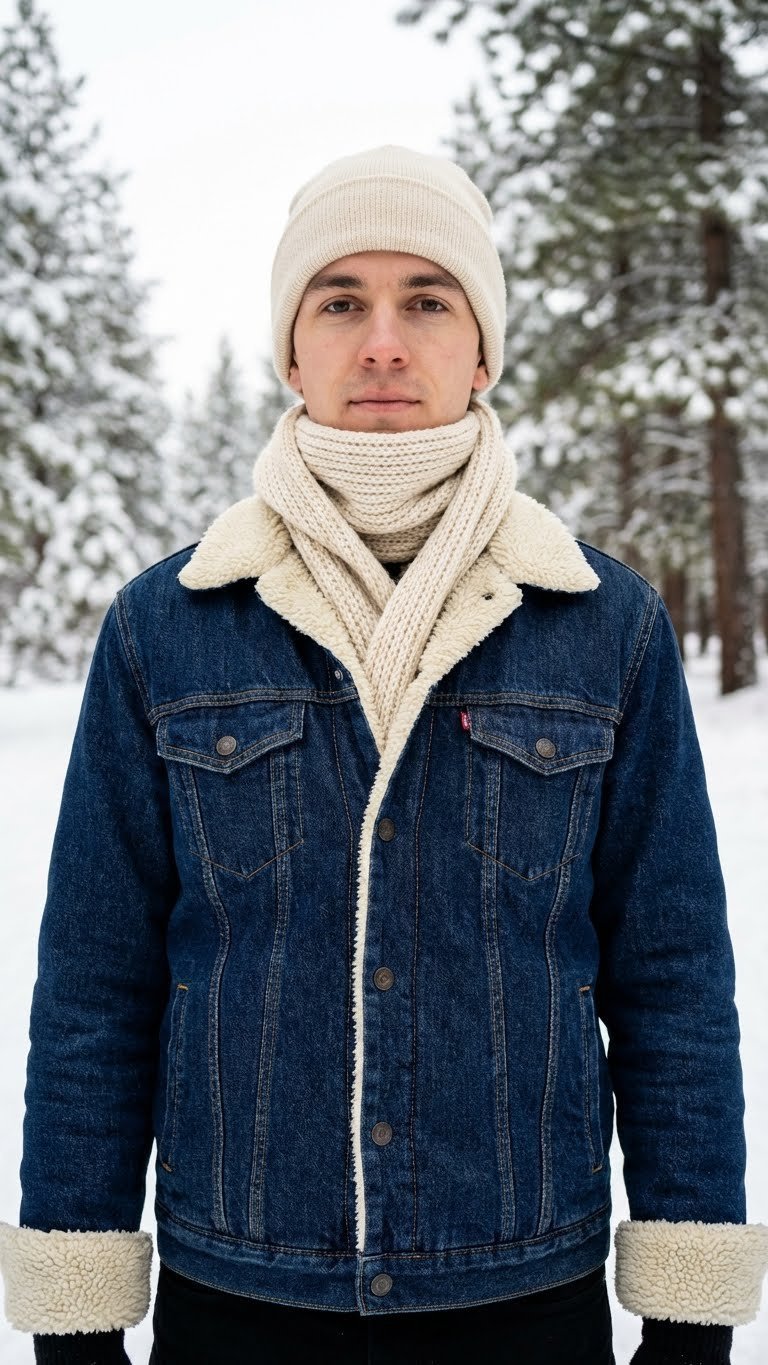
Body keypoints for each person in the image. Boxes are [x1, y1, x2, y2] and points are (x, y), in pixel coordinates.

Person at [0, 144, 766, 1365]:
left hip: (523, 1293)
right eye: (341, 301)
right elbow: (97, 988)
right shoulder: (170, 626)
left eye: (427, 299)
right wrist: (77, 1312)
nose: (385, 342)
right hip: (241, 1294)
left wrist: (687, 1304)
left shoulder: (602, 627)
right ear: (292, 349)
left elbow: (671, 985)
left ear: (481, 347)